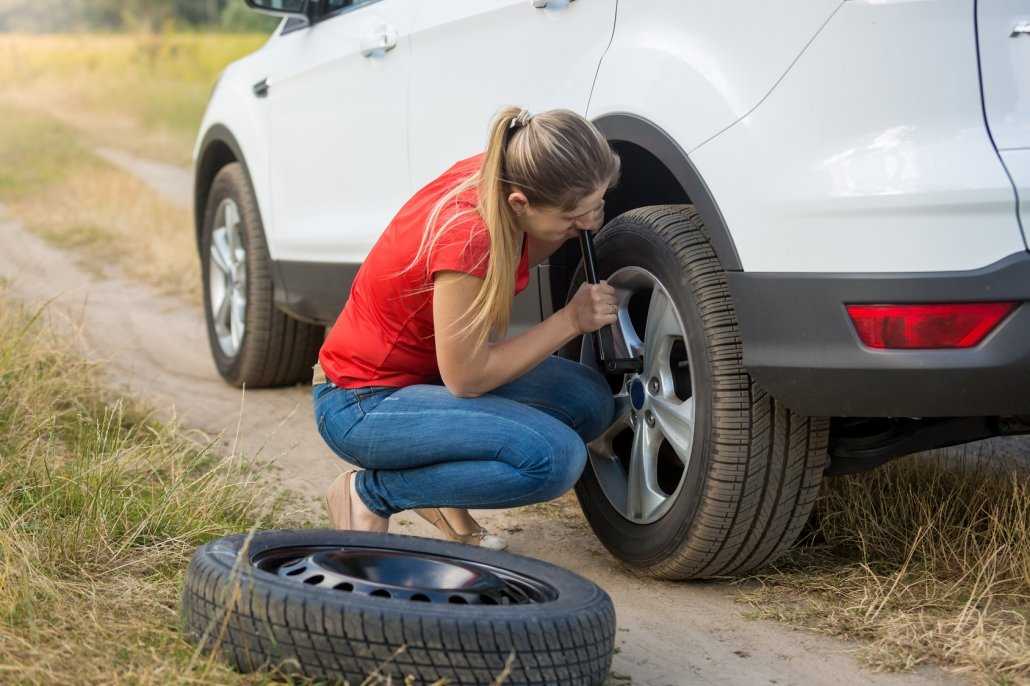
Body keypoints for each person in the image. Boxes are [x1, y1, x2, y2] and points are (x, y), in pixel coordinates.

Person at [312, 106, 621, 550]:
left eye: (597, 206)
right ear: (521, 203)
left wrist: (573, 217)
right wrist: (571, 320)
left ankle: (442, 489)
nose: (589, 224)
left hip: (426, 375)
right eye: (575, 218)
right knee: (553, 459)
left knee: (589, 402)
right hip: (360, 401)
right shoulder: (470, 238)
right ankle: (371, 494)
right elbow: (467, 378)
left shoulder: (506, 171)